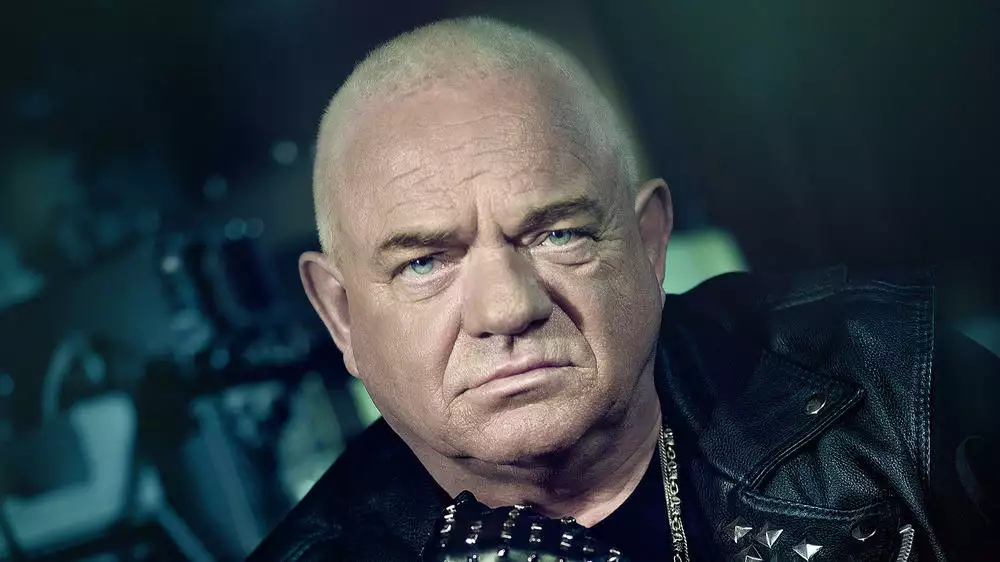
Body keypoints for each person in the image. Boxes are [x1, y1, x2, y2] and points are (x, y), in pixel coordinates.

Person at [249, 17, 999, 561]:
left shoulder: (899, 381)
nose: (508, 307)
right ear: (340, 315)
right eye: (425, 263)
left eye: (558, 234)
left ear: (648, 243)